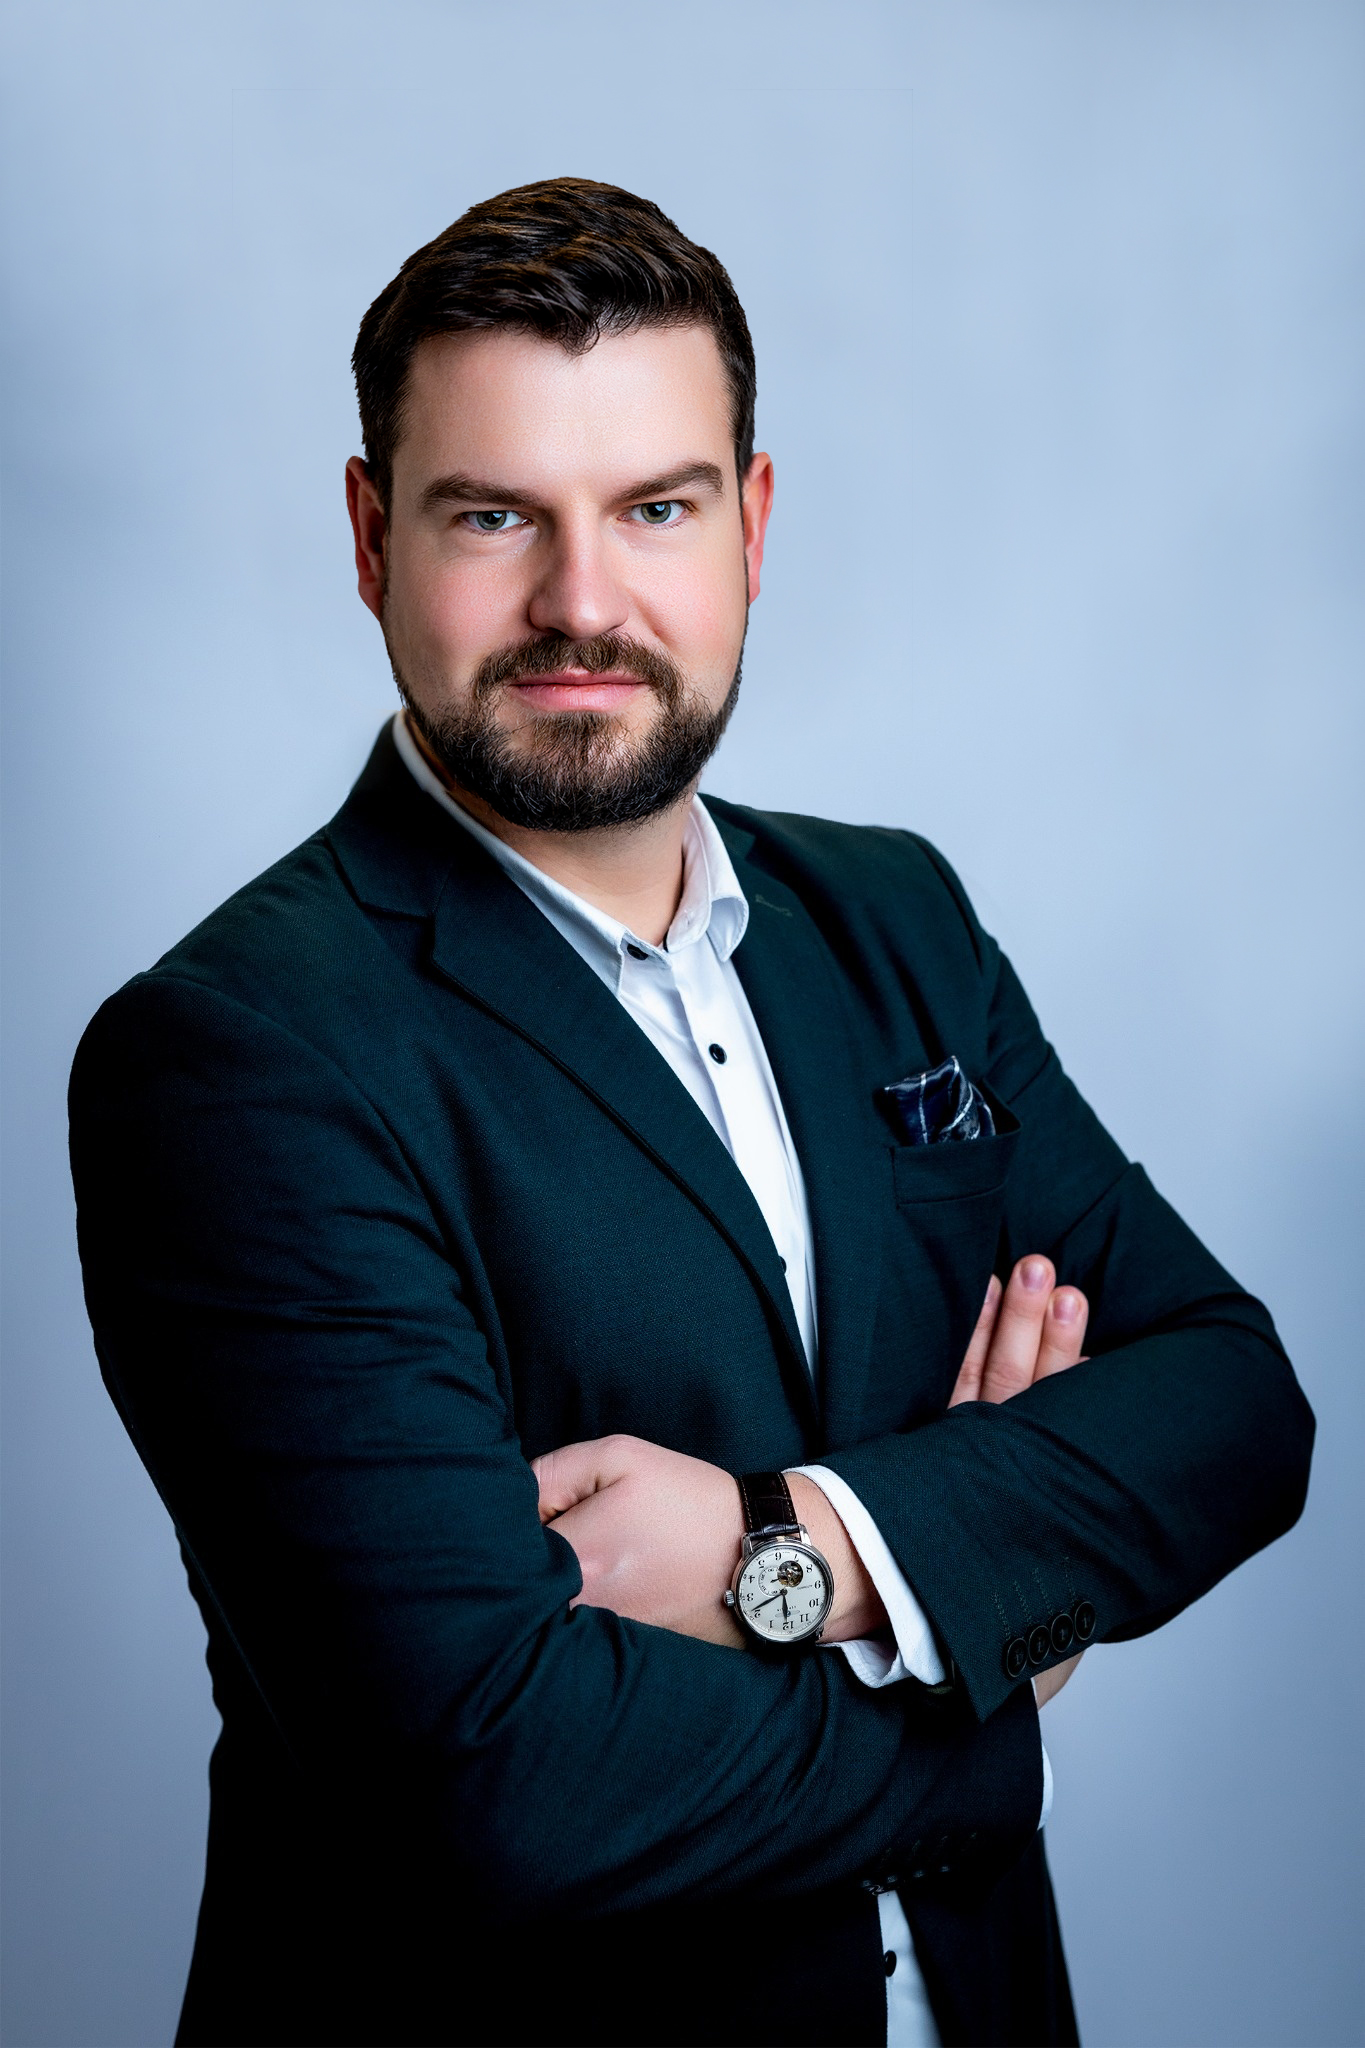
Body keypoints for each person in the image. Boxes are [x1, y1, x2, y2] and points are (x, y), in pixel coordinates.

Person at [68, 179, 1313, 2048]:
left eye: (653, 508)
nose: (582, 602)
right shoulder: (238, 1054)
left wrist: (786, 1550)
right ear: (371, 536)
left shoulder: (894, 917)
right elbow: (499, 1782)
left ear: (750, 523)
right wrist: (988, 1656)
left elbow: (1230, 1404)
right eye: (494, 515)